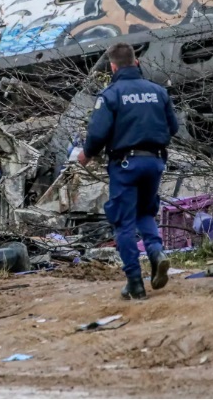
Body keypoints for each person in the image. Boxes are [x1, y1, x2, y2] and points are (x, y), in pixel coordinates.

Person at [78, 43, 179, 300]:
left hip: (125, 165)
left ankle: (134, 282)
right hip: (154, 163)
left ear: (112, 66)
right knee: (145, 212)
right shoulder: (158, 91)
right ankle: (156, 252)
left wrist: (87, 154)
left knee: (123, 222)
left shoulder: (111, 94)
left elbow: (98, 133)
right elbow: (174, 127)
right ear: (136, 62)